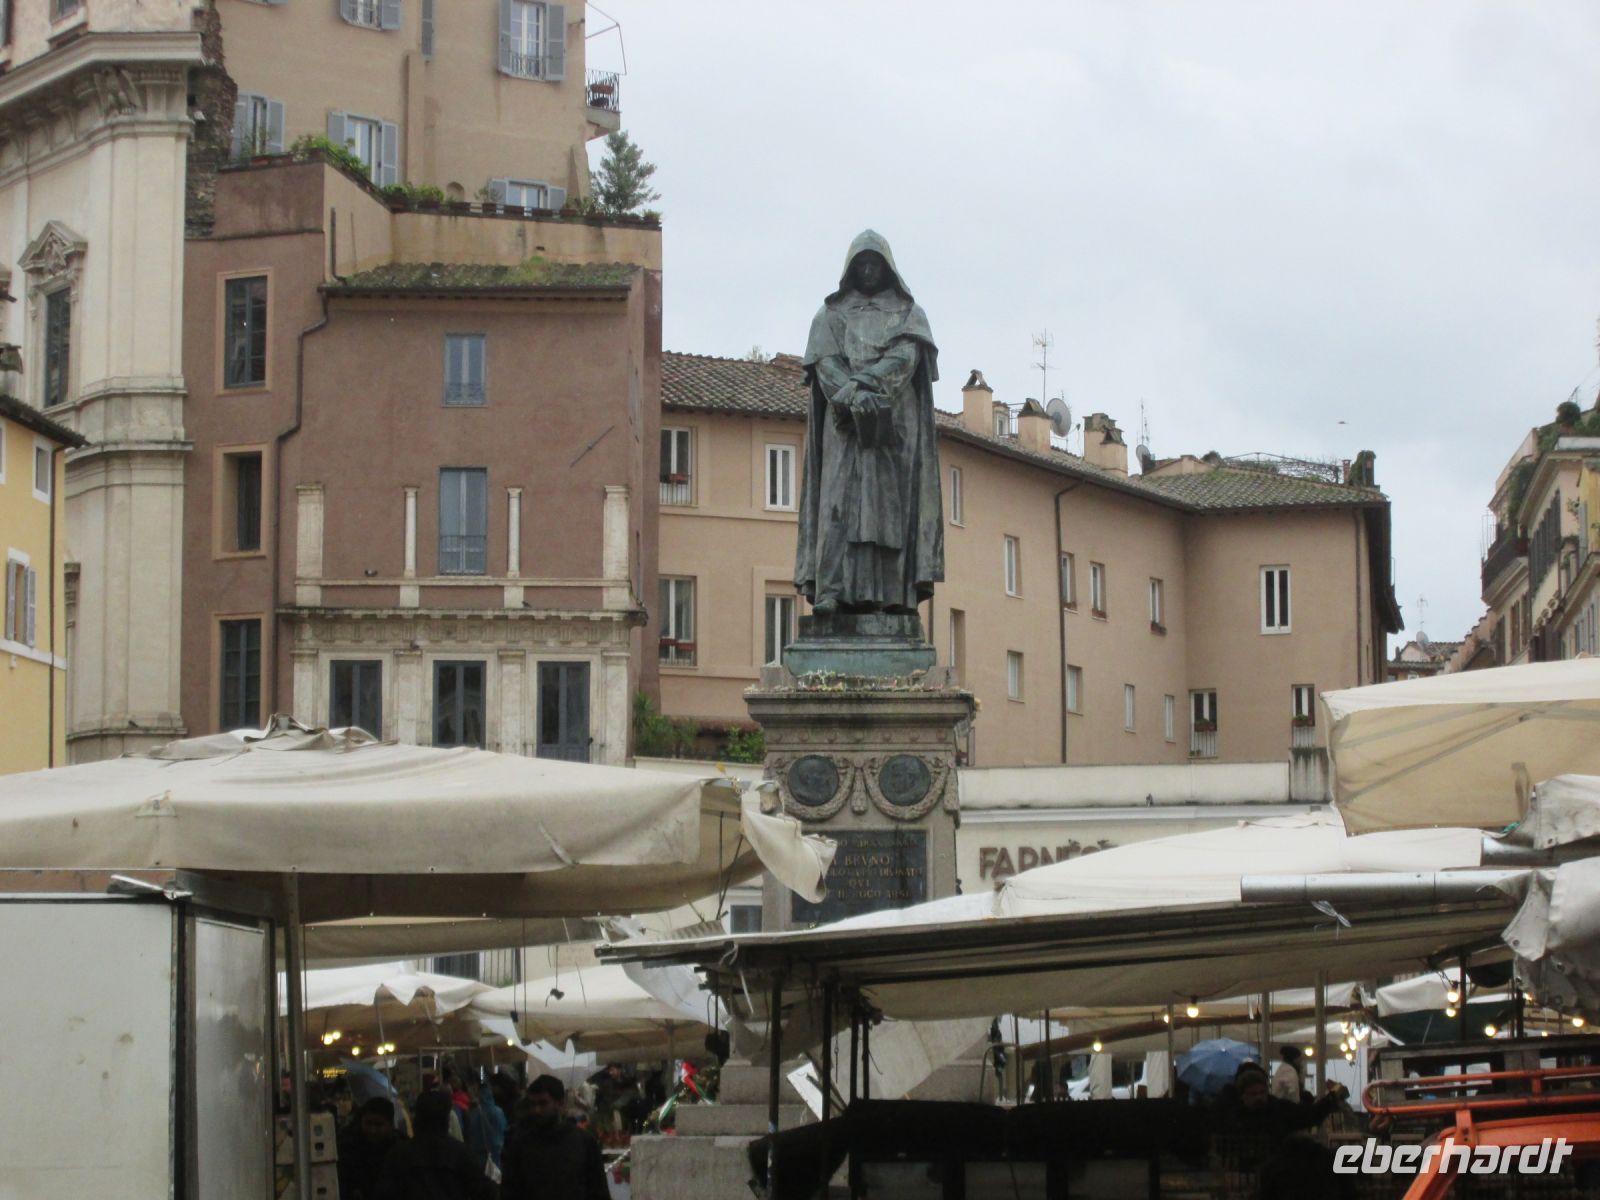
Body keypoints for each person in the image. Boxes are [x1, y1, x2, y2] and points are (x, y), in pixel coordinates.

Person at [796, 231, 943, 616]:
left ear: (887, 267)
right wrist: (849, 396)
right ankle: (832, 590)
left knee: (891, 510)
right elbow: (824, 364)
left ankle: (894, 594)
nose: (867, 270)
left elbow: (905, 358)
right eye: (860, 263)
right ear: (849, 269)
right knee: (836, 502)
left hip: (894, 424)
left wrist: (863, 386)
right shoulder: (828, 316)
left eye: (873, 263)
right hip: (844, 424)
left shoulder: (910, 314)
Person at [501, 1075, 609, 1200]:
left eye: (543, 1103)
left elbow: (598, 1191)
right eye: (533, 1104)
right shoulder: (520, 1145)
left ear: (560, 1103)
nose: (537, 1110)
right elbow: (510, 1191)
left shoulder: (584, 1142)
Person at [373, 1090, 492, 1200]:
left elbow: (385, 1192)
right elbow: (482, 1190)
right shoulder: (461, 1153)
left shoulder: (399, 1153)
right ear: (446, 1118)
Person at [338, 1097, 399, 1200]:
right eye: (368, 1123)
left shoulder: (399, 1151)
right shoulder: (349, 1147)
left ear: (390, 1125)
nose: (372, 1130)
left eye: (378, 1125)